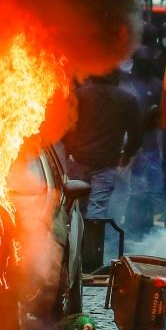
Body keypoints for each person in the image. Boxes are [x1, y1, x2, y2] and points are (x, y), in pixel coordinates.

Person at [63, 71, 143, 219]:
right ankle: (93, 240)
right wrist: (127, 155)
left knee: (74, 205)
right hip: (106, 164)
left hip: (79, 160)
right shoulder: (127, 100)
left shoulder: (79, 95)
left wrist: (69, 151)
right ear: (116, 77)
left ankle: (74, 239)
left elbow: (66, 126)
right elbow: (136, 134)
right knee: (97, 207)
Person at [119, 46, 163, 239]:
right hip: (131, 143)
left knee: (148, 189)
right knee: (132, 189)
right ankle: (131, 227)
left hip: (151, 145)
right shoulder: (126, 83)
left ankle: (144, 226)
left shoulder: (157, 85)